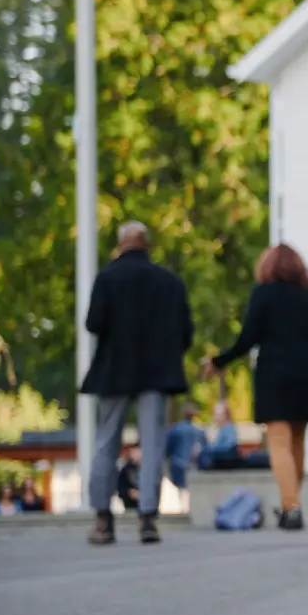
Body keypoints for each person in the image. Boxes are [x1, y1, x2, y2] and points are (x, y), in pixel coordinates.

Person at [203, 244, 308, 532]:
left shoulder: (263, 294)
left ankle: (291, 507)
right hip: (305, 376)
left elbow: (247, 339)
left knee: (278, 441)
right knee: (298, 440)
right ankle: (292, 504)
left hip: (274, 376)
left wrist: (219, 361)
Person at [80, 220, 194, 546]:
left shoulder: (107, 278)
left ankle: (103, 519)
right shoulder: (170, 282)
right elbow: (185, 333)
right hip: (156, 373)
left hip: (115, 370)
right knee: (153, 443)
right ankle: (147, 519)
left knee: (106, 442)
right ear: (147, 244)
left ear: (120, 244)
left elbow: (93, 323)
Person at [164, 403, 205, 490]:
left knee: (179, 491)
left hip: (177, 466)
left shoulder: (175, 429)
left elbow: (168, 448)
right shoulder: (199, 431)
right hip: (193, 466)